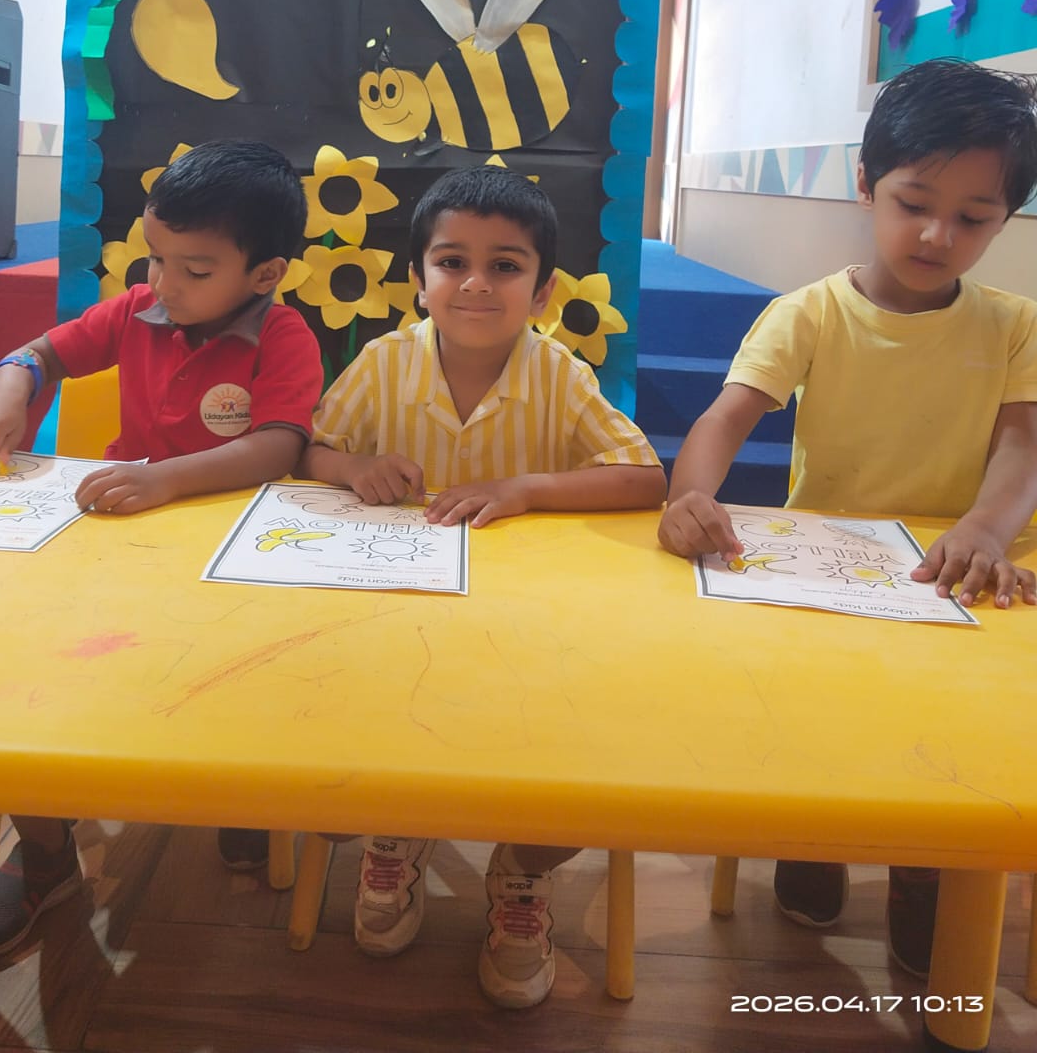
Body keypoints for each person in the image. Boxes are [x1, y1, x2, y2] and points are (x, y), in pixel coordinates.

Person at [656, 58, 1037, 977]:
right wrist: (689, 498)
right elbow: (727, 417)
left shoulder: (1015, 325)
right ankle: (816, 830)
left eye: (973, 218)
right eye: (914, 203)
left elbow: (1024, 445)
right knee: (817, 705)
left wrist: (987, 527)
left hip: (960, 564)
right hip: (831, 559)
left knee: (962, 722)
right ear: (867, 184)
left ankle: (927, 865)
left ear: (1007, 218)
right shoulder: (812, 314)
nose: (937, 234)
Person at [299, 165, 666, 1008]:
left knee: (580, 740)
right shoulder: (382, 362)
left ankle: (524, 866)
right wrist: (353, 467)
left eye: (504, 266)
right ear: (419, 278)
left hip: (529, 630)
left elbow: (644, 477)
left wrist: (526, 488)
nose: (474, 283)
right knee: (353, 724)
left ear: (542, 292)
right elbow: (312, 449)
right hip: (396, 615)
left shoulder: (559, 372)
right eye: (451, 261)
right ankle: (397, 831)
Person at [0, 140, 323, 957]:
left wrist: (163, 480)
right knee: (25, 664)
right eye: (156, 258)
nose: (164, 284)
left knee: (248, 676)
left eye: (195, 270)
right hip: (118, 547)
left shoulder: (284, 336)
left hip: (233, 562)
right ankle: (44, 854)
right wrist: (8, 388)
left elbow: (278, 447)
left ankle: (239, 786)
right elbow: (41, 352)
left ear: (265, 274)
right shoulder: (135, 311)